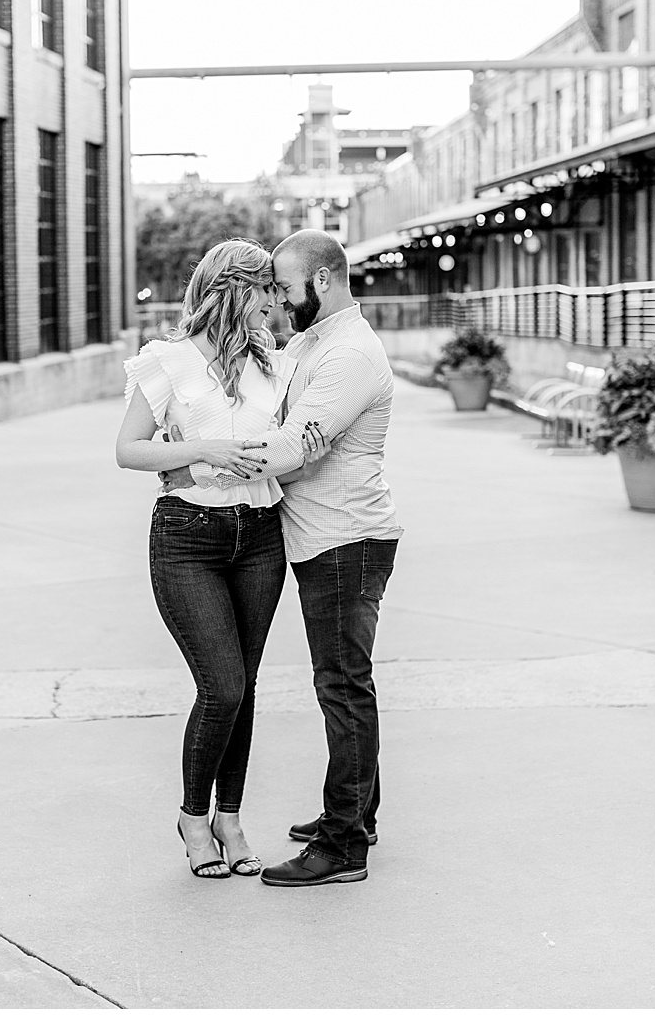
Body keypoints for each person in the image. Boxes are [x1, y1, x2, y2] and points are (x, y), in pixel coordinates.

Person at [115, 239, 325, 879]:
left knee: (246, 687)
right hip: (188, 538)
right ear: (238, 291)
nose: (276, 307)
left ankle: (230, 820)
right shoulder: (168, 362)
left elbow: (290, 441)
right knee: (222, 686)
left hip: (258, 535)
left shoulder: (275, 363)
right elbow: (128, 450)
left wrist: (301, 447)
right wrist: (203, 447)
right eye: (268, 294)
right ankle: (192, 815)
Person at [253, 229, 404, 887]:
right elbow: (281, 425)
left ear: (321, 281)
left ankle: (344, 844)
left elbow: (291, 448)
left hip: (346, 540)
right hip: (327, 538)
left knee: (342, 690)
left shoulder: (349, 356)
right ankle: (354, 815)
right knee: (343, 686)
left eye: (286, 289)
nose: (280, 303)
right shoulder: (312, 343)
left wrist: (207, 457)